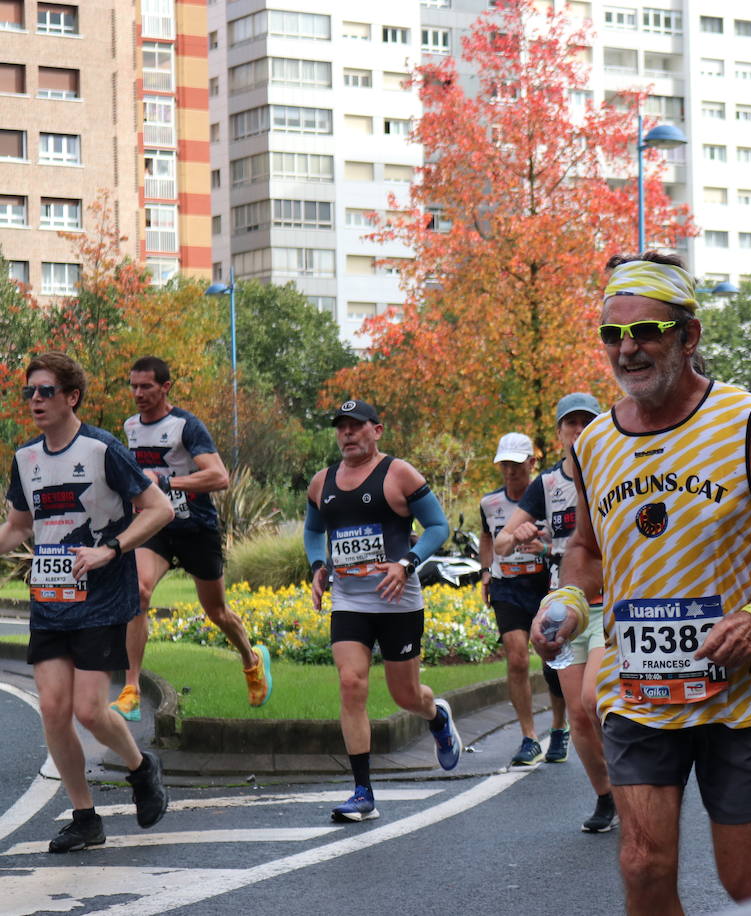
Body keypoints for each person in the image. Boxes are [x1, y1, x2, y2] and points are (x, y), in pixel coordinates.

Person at [534, 252, 751, 910]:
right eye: (613, 335)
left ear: (689, 335)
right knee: (641, 866)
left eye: (646, 332)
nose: (628, 349)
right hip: (640, 694)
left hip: (737, 698)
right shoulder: (594, 444)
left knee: (747, 884)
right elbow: (584, 547)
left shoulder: (746, 422)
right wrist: (566, 599)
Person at [0, 353, 172, 852]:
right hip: (52, 599)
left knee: (90, 710)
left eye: (45, 391)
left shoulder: (102, 449)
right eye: (29, 391)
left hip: (101, 599)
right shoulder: (26, 458)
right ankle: (84, 817)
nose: (35, 400)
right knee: (53, 709)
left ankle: (142, 769)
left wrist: (110, 549)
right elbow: (16, 526)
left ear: (71, 397)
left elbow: (157, 508)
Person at [304, 399, 462, 821]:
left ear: (377, 430)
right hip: (351, 600)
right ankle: (362, 792)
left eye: (356, 426)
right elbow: (313, 529)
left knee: (406, 695)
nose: (347, 434)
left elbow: (438, 527)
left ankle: (436, 715)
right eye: (341, 427)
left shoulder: (399, 474)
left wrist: (407, 563)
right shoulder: (322, 482)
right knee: (351, 684)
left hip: (398, 601)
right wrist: (318, 566)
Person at [114, 356, 270, 723]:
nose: (137, 394)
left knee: (216, 611)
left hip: (196, 528)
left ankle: (251, 661)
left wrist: (166, 482)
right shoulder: (131, 426)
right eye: (133, 386)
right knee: (138, 592)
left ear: (165, 387)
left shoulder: (186, 426)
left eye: (146, 387)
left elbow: (219, 477)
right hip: (156, 528)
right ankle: (131, 689)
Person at [493, 393, 617, 834]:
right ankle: (607, 796)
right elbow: (504, 541)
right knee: (579, 715)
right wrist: (518, 532)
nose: (579, 430)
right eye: (571, 424)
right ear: (561, 432)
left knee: (591, 700)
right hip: (564, 608)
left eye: (587, 421)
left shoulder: (618, 470)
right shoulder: (545, 486)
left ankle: (630, 782)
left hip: (609, 607)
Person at [479, 432, 568, 767]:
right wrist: (485, 572)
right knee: (516, 658)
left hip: (545, 585)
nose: (510, 471)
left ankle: (559, 728)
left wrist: (542, 547)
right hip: (507, 588)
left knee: (552, 662)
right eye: (504, 464)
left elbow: (566, 540)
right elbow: (487, 537)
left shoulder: (550, 496)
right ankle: (529, 737)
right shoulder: (490, 502)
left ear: (532, 463)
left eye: (516, 464)